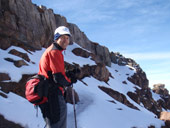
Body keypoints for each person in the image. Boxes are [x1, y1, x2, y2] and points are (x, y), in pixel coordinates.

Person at [38, 26, 78, 128]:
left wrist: (68, 74)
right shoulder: (55, 52)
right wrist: (70, 81)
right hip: (53, 94)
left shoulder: (52, 50)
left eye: (67, 38)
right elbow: (58, 78)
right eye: (62, 37)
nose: (65, 40)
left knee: (51, 123)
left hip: (47, 93)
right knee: (57, 124)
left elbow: (53, 73)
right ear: (56, 38)